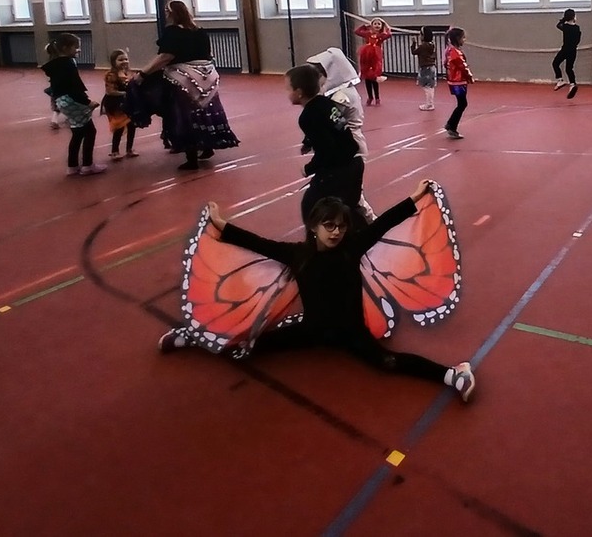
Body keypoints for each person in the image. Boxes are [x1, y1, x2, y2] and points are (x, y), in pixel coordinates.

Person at [157, 182, 476, 403]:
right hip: (311, 331)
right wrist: (220, 224)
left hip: (352, 334)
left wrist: (415, 198)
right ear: (314, 227)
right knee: (249, 346)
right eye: (329, 226)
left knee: (388, 362)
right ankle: (195, 335)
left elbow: (384, 224)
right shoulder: (297, 255)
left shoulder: (352, 247)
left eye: (341, 226)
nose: (336, 232)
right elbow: (255, 243)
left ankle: (453, 374)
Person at [134, 0, 240, 171]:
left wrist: (143, 73)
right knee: (204, 112)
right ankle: (207, 146)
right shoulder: (200, 31)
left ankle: (191, 157)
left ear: (171, 14)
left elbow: (165, 57)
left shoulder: (173, 32)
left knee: (183, 115)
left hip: (183, 78)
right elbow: (209, 54)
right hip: (208, 76)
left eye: (167, 12)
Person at [286, 64, 364, 229]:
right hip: (355, 161)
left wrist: (309, 168)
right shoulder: (325, 102)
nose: (287, 93)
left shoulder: (307, 117)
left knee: (312, 207)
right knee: (348, 207)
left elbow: (327, 150)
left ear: (299, 92)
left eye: (289, 89)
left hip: (340, 168)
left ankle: (319, 240)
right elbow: (330, 126)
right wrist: (308, 142)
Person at [306, 47, 376, 223]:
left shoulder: (341, 96)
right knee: (343, 189)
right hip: (345, 143)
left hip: (350, 144)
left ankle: (373, 223)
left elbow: (327, 121)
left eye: (322, 74)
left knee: (353, 192)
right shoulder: (341, 92)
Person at [41, 33, 106, 176]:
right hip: (72, 100)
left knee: (77, 133)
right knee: (90, 131)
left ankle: (72, 166)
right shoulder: (68, 63)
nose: (79, 50)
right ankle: (88, 165)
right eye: (76, 47)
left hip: (62, 101)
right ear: (66, 48)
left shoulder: (55, 64)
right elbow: (74, 87)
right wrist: (88, 102)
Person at [102, 49, 138, 161]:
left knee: (132, 125)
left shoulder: (128, 73)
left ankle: (129, 149)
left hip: (128, 102)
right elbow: (110, 91)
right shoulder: (111, 75)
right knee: (119, 127)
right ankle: (115, 151)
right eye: (120, 60)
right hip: (115, 104)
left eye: (126, 59)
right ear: (114, 62)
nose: (124, 61)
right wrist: (126, 93)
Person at [444, 27, 474, 140]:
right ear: (457, 39)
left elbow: (445, 64)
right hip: (458, 82)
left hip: (454, 81)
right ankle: (451, 126)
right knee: (462, 104)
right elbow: (463, 67)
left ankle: (450, 125)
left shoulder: (449, 51)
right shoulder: (456, 53)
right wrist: (470, 77)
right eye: (463, 38)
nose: (464, 40)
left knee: (462, 103)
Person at [354, 17, 392, 105]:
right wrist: (365, 26)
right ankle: (370, 97)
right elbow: (357, 31)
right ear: (372, 25)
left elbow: (389, 34)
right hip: (366, 56)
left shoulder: (381, 35)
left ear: (381, 26)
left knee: (374, 77)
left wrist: (386, 25)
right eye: (375, 24)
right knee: (367, 77)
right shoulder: (367, 34)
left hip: (375, 58)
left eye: (379, 24)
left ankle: (377, 97)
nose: (377, 25)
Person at [552, 9, 580, 99]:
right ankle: (572, 84)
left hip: (565, 49)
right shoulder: (577, 28)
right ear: (573, 17)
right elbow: (578, 40)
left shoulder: (565, 27)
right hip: (573, 50)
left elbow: (558, 25)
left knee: (555, 63)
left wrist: (563, 19)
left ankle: (560, 80)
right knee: (569, 68)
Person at [411, 27, 438, 111]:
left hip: (426, 68)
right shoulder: (432, 44)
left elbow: (414, 52)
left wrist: (413, 43)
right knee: (430, 86)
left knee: (427, 87)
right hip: (432, 67)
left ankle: (429, 105)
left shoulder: (423, 46)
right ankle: (430, 103)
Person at [43, 41, 69, 129]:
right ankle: (69, 118)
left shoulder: (51, 62)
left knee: (57, 103)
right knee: (68, 102)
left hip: (54, 86)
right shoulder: (62, 61)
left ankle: (54, 120)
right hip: (64, 86)